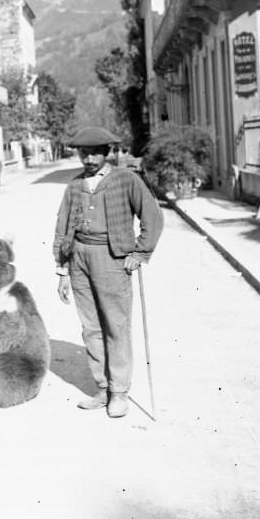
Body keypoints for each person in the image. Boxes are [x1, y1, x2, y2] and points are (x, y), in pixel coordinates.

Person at [52, 126, 163, 418]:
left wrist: (140, 252)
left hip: (112, 258)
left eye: (94, 153)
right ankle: (102, 388)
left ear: (108, 153)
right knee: (91, 328)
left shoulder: (126, 180)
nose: (88, 159)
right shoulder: (75, 186)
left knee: (116, 326)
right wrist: (62, 270)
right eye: (83, 153)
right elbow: (63, 227)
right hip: (78, 258)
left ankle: (119, 392)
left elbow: (152, 215)